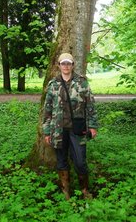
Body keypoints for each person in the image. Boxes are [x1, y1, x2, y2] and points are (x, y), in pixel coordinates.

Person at [42, 53, 98, 200]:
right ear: (59, 65)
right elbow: (47, 110)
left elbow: (90, 105)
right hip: (58, 130)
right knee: (61, 161)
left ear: (73, 65)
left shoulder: (82, 82)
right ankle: (65, 191)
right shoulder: (53, 84)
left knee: (80, 161)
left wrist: (92, 125)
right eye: (63, 63)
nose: (66, 66)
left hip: (77, 130)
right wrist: (47, 131)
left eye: (69, 63)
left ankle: (84, 191)